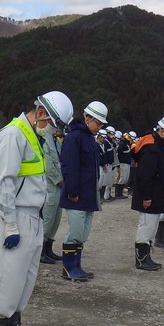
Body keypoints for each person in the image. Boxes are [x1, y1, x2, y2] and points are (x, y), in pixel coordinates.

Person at [0, 91, 74, 326]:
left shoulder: (32, 136)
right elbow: (4, 183)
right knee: (9, 281)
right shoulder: (14, 135)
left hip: (32, 217)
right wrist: (10, 224)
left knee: (25, 281)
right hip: (16, 217)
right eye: (54, 125)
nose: (54, 131)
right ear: (42, 114)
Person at [58, 101, 108, 281]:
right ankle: (68, 268)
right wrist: (72, 191)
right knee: (75, 232)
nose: (100, 126)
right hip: (76, 195)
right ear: (87, 118)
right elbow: (69, 166)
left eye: (102, 124)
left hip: (87, 195)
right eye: (98, 123)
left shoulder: (89, 138)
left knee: (82, 233)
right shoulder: (74, 137)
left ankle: (76, 266)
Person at [131, 115, 164, 271]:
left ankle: (146, 257)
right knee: (146, 226)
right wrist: (146, 197)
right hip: (149, 196)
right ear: (163, 132)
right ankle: (141, 259)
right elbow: (145, 175)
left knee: (150, 226)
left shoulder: (157, 146)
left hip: (154, 194)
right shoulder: (152, 149)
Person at [40, 128, 65, 264]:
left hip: (59, 185)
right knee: (48, 218)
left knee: (56, 218)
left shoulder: (56, 140)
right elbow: (48, 165)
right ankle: (41, 251)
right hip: (51, 184)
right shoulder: (45, 139)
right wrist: (59, 180)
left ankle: (48, 249)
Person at [115, 132, 132, 199]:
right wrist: (119, 164)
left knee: (125, 178)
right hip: (123, 163)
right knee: (122, 178)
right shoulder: (122, 144)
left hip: (127, 163)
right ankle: (118, 193)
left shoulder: (126, 144)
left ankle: (120, 192)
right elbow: (119, 154)